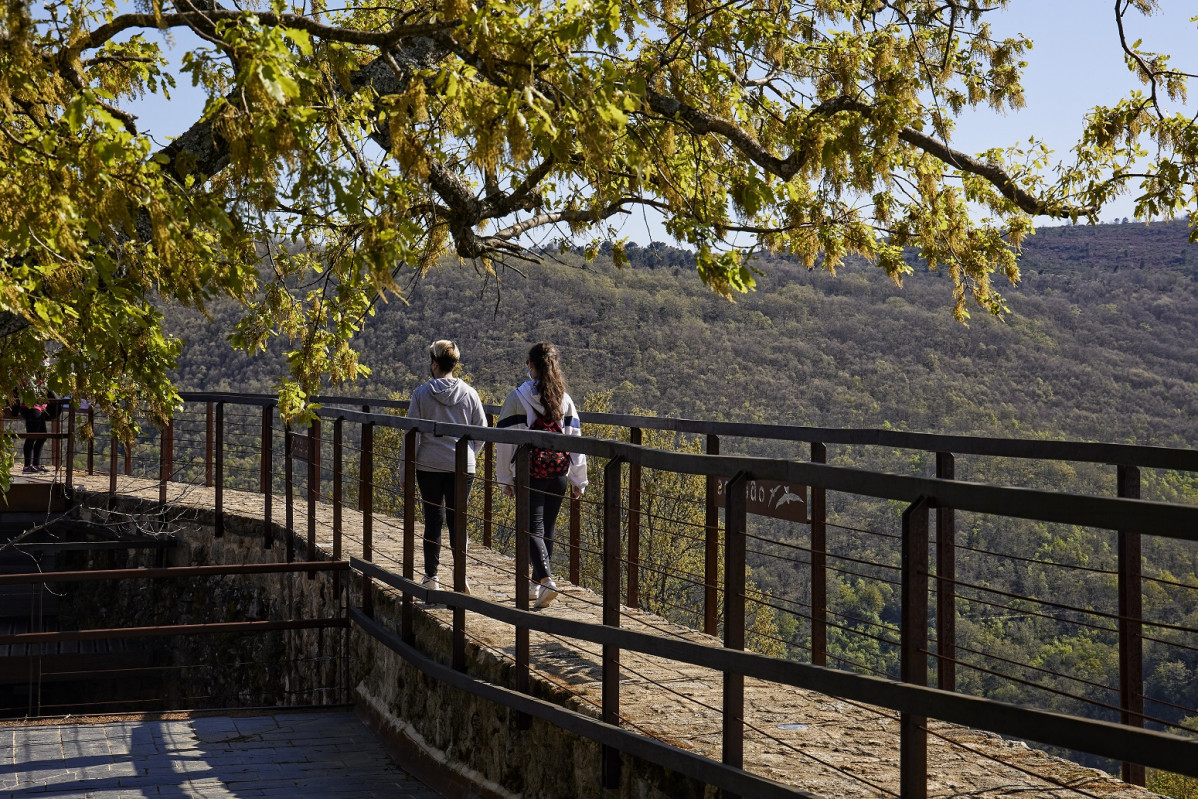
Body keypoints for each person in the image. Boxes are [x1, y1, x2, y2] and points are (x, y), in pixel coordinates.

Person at [497, 342, 588, 608]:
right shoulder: (564, 399)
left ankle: (546, 581)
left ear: (532, 366)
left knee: (529, 527)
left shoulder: (517, 397)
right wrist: (578, 480)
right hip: (559, 471)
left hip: (530, 472)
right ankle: (535, 584)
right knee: (547, 528)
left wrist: (506, 478)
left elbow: (505, 442)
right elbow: (575, 439)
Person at [405, 340, 487, 594]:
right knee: (457, 521)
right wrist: (469, 455)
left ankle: (431, 577)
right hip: (462, 466)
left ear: (435, 364)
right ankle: (460, 576)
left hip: (429, 464)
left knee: (433, 519)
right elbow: (481, 431)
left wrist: (404, 469)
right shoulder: (470, 394)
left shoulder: (421, 394)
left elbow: (412, 434)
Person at [10, 387, 55, 474]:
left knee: (42, 437)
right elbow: (17, 391)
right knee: (31, 437)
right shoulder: (26, 376)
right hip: (30, 407)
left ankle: (35, 464)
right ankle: (27, 466)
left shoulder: (40, 376)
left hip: (39, 408)